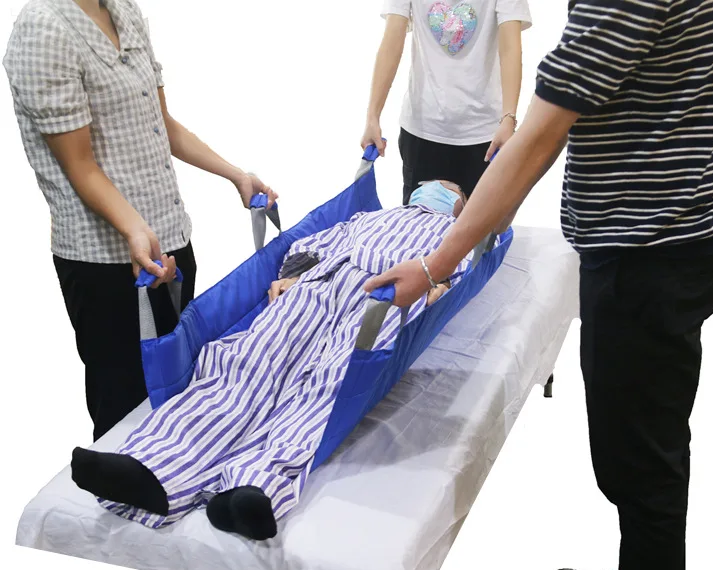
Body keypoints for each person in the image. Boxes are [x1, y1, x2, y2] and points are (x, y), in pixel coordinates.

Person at [366, 0, 713, 570]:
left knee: (639, 454)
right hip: (699, 220)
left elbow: (541, 136)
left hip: (650, 252)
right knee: (653, 430)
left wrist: (438, 263)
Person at [70, 180, 492, 541]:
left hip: (385, 301)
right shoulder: (370, 217)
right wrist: (291, 275)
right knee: (251, 358)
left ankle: (253, 489)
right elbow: (316, 244)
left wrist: (435, 292)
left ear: (459, 205)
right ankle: (153, 468)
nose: (439, 187)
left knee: (329, 381)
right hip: (321, 285)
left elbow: (454, 274)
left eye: (450, 188)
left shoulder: (456, 233)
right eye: (436, 185)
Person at [3, 0, 277, 441]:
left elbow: (162, 124)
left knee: (180, 393)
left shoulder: (122, 10)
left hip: (166, 243)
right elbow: (79, 165)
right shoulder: (43, 28)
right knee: (124, 410)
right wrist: (134, 228)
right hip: (108, 263)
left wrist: (236, 175)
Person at [362, 1, 532, 204]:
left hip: (485, 135)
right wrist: (372, 117)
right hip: (422, 130)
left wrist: (509, 118)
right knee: (420, 222)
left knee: (485, 222)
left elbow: (510, 48)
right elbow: (392, 42)